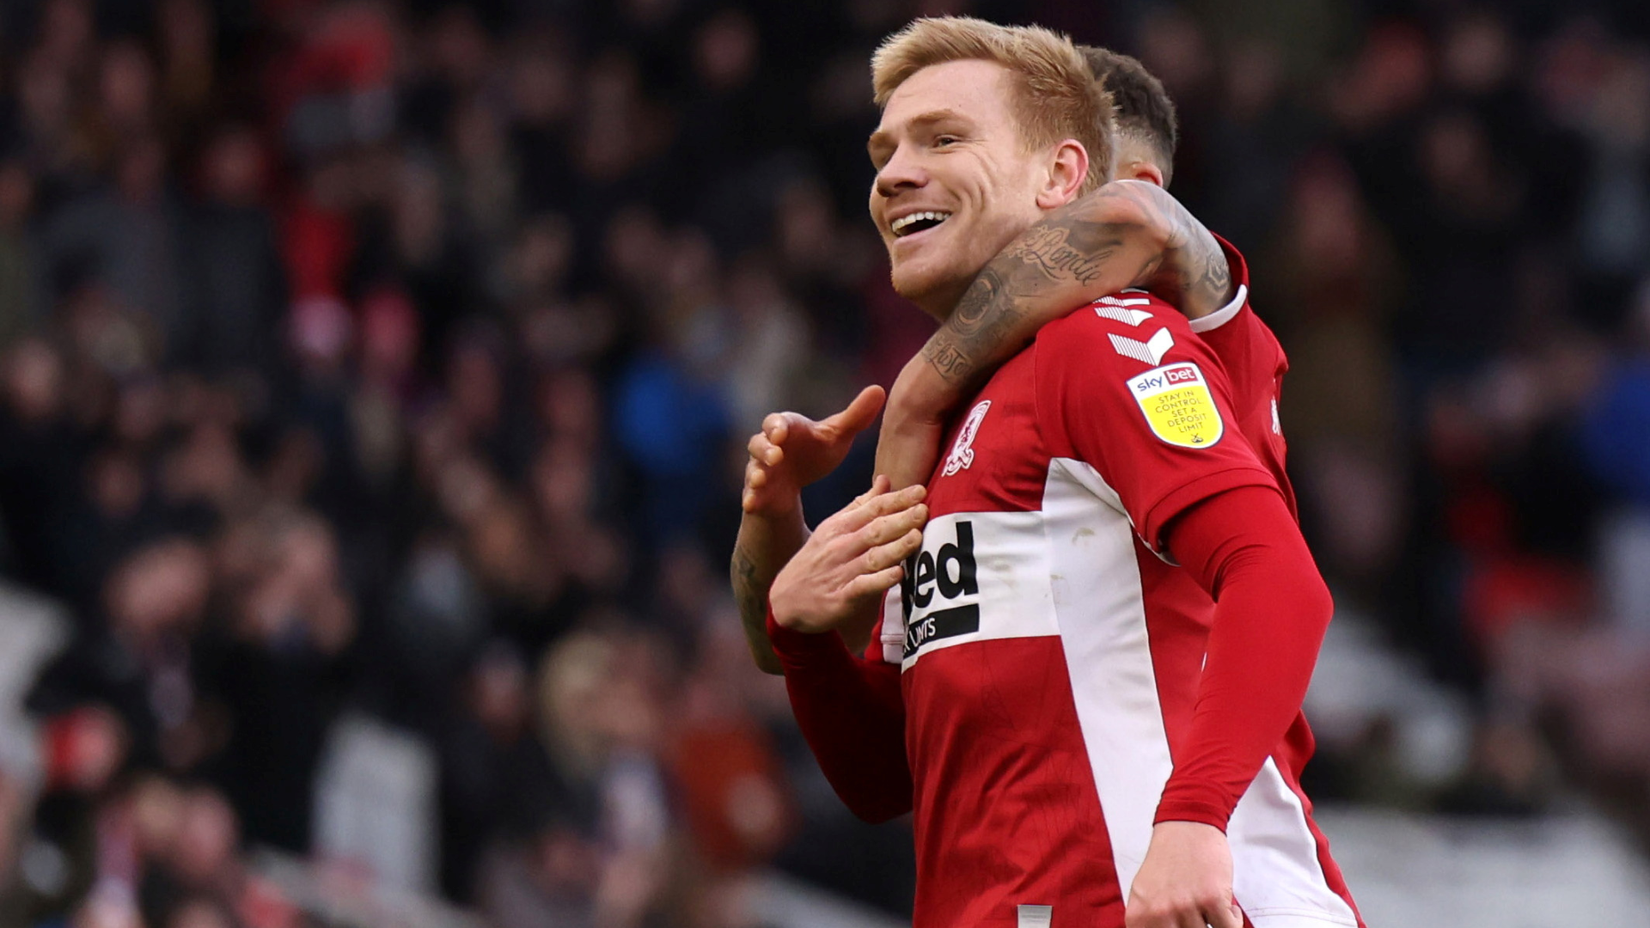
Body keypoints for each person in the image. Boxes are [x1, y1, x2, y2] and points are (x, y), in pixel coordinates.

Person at [747, 18, 1361, 928]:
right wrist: (800, 635)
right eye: (884, 151)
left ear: (1064, 177)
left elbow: (1280, 579)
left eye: (943, 139)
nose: (893, 173)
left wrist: (1193, 819)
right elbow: (888, 778)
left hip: (1177, 904)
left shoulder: (1101, 340)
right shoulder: (945, 432)